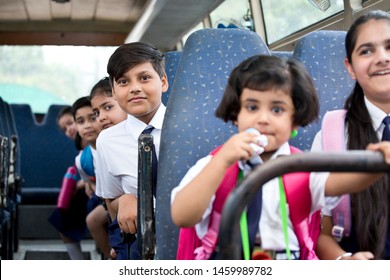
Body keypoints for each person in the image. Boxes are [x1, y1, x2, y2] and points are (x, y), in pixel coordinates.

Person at [170, 55, 390, 260]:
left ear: (294, 121)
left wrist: (378, 164)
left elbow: (342, 183)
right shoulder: (214, 164)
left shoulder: (302, 167)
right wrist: (221, 162)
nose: (263, 119)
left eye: (277, 110)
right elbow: (183, 216)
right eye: (252, 107)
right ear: (236, 114)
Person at [313, 10, 390, 260]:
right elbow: (318, 231)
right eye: (367, 51)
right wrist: (345, 262)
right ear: (350, 67)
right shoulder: (333, 136)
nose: (382, 58)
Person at [95, 42, 168, 259]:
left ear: (163, 82)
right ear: (115, 91)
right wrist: (126, 199)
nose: (134, 87)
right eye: (124, 81)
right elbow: (111, 199)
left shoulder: (189, 129)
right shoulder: (107, 141)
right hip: (139, 244)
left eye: (144, 78)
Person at [48, 97, 100, 260]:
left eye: (70, 123)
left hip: (101, 191)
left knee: (62, 218)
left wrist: (82, 183)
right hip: (92, 189)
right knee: (61, 217)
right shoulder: (81, 149)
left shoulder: (95, 141)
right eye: (65, 128)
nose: (69, 130)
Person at [87, 77, 127, 259]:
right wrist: (116, 239)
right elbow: (110, 201)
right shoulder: (105, 142)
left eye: (108, 107)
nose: (101, 117)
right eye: (96, 112)